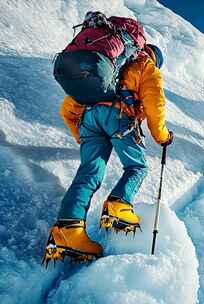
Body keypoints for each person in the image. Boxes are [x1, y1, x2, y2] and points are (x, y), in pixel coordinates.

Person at [43, 43, 172, 264]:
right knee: (137, 167)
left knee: (89, 171)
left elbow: (67, 110)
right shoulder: (145, 65)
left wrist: (82, 137)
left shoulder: (110, 67)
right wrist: (162, 137)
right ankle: (118, 205)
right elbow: (155, 104)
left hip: (88, 119)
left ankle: (68, 229)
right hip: (119, 115)